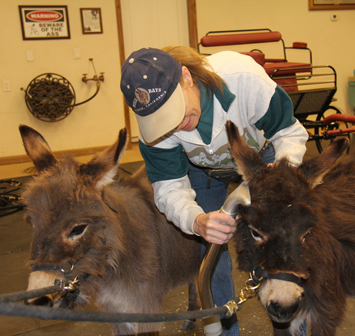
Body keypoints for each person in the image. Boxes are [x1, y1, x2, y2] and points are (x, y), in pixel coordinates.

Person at [120, 46, 308, 335]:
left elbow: (288, 133)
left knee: (280, 240)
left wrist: (284, 171)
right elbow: (169, 188)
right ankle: (223, 332)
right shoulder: (153, 130)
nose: (175, 124)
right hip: (202, 169)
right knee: (212, 252)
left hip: (264, 157)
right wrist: (196, 221)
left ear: (186, 77)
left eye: (174, 109)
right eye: (161, 119)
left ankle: (293, 328)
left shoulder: (245, 80)